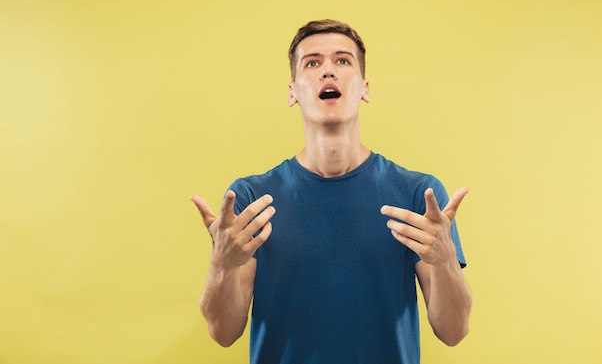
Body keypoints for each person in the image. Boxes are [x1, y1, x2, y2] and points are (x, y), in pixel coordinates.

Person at [191, 19, 472, 364]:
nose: (328, 71)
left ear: (365, 88)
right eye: (312, 63)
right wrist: (220, 267)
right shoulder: (252, 200)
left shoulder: (418, 196)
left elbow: (454, 330)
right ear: (293, 92)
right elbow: (223, 333)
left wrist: (445, 261)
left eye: (343, 61)